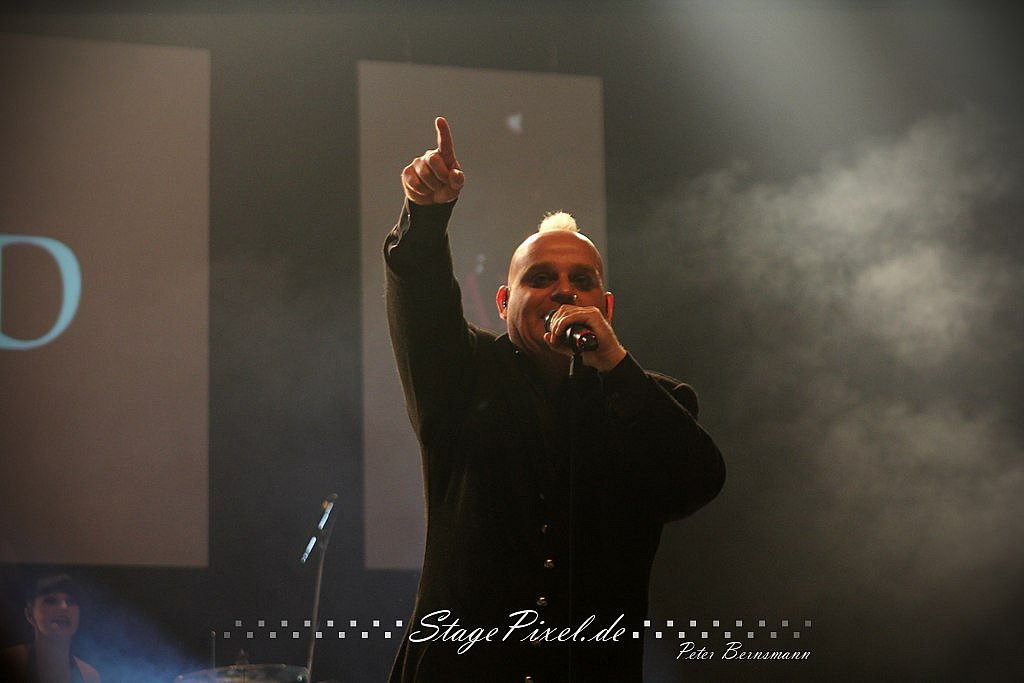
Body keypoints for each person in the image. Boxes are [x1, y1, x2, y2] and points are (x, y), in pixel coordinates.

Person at [385, 117, 725, 682]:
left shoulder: (651, 400)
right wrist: (425, 215)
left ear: (605, 308)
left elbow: (696, 483)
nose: (563, 290)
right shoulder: (461, 374)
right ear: (503, 302)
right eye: (540, 277)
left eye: (582, 281)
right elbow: (421, 302)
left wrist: (613, 363)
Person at [1, 573, 100, 683]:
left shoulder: (88, 676)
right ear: (30, 614)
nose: (64, 607)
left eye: (71, 601)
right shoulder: (7, 662)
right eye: (51, 600)